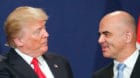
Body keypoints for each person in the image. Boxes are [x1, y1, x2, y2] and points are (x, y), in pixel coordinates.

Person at [0, 6, 73, 78]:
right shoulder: (4, 68)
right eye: (38, 31)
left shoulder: (61, 62)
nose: (46, 34)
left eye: (44, 28)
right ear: (19, 41)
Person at [93, 11, 140, 78]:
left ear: (127, 37)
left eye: (106, 34)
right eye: (100, 35)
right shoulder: (99, 76)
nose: (100, 40)